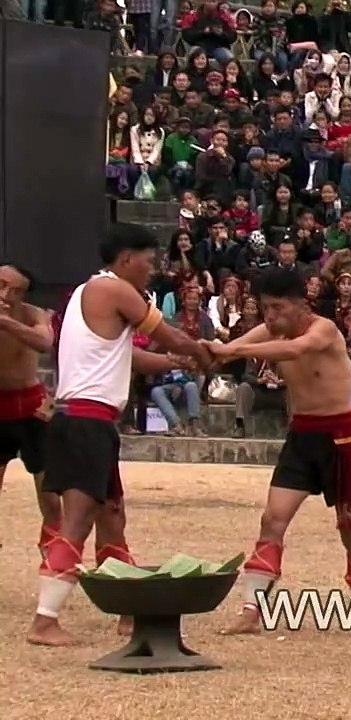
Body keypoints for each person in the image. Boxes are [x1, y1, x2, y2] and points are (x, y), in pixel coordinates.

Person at [29, 223, 213, 646]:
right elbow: (166, 332)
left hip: (82, 419)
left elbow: (128, 355)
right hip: (87, 422)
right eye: (149, 263)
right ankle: (44, 619)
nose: (152, 271)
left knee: (112, 517)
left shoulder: (84, 295)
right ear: (127, 259)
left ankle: (128, 611)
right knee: (77, 520)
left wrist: (174, 361)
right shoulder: (115, 290)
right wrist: (202, 351)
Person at [211, 268, 351, 636]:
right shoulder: (271, 331)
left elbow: (295, 348)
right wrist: (206, 354)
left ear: (300, 304)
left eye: (277, 308)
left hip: (342, 436)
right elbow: (232, 351)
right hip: (302, 434)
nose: (270, 317)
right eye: (264, 309)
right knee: (272, 519)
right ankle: (251, 610)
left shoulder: (323, 329)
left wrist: (234, 349)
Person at [0, 263, 57, 552]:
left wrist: (5, 321)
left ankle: (53, 550)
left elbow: (44, 342)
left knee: (50, 492)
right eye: (1, 285)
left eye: (15, 291)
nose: (7, 294)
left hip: (32, 406)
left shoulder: (33, 314)